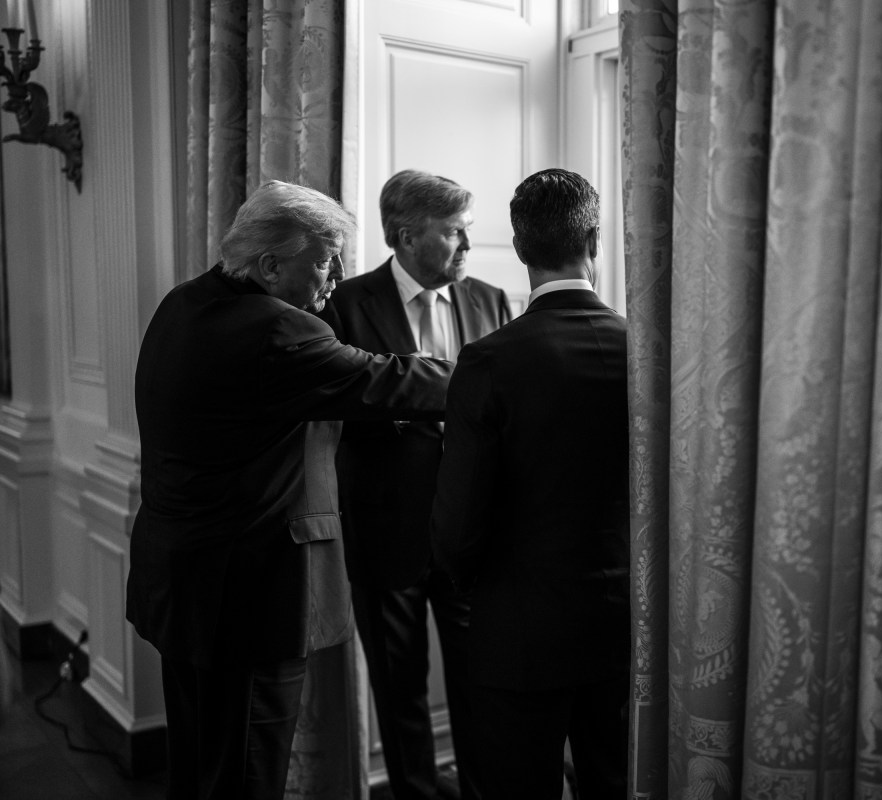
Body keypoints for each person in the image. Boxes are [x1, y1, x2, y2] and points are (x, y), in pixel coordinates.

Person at [126, 180, 453, 800]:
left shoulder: (184, 303)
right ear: (271, 265)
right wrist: (495, 370)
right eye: (325, 262)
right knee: (248, 776)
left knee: (197, 767)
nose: (336, 279)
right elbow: (387, 381)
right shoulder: (275, 331)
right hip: (247, 597)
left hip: (182, 584)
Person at [430, 168, 631, 798]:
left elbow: (458, 516)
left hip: (518, 628)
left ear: (520, 250)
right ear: (595, 241)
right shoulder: (647, 349)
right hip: (626, 623)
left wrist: (465, 589)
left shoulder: (490, 360)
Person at [318, 170, 509, 800]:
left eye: (467, 232)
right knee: (400, 694)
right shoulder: (345, 305)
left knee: (482, 685)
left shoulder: (491, 301)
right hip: (384, 531)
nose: (467, 248)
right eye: (455, 233)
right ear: (404, 235)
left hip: (472, 537)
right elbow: (336, 412)